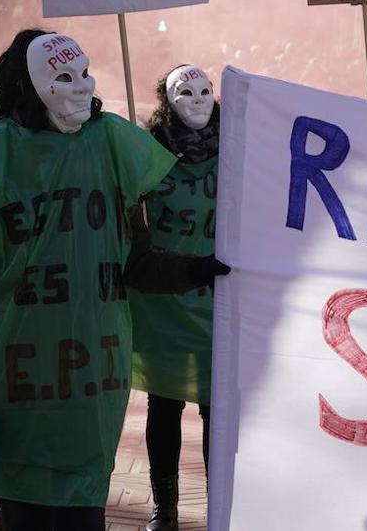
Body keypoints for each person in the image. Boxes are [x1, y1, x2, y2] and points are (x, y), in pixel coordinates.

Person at [0, 30, 229, 531]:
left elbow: (136, 262)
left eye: (83, 74)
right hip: (15, 387)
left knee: (82, 514)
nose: (78, 88)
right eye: (60, 77)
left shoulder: (113, 147)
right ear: (28, 87)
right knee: (23, 516)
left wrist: (194, 269)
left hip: (93, 387)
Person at [131, 65, 221, 531]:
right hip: (164, 295)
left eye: (207, 91)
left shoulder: (236, 147)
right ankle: (164, 508)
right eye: (187, 93)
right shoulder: (149, 152)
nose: (200, 99)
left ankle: (217, 507)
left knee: (216, 408)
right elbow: (126, 204)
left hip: (218, 293)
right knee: (164, 404)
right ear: (168, 102)